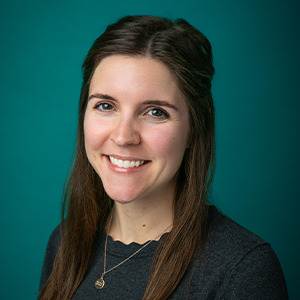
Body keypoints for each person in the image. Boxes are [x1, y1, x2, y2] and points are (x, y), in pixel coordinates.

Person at [38, 15, 288, 299]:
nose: (123, 137)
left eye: (156, 112)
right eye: (106, 105)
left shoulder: (243, 271)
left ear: (195, 130)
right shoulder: (65, 242)